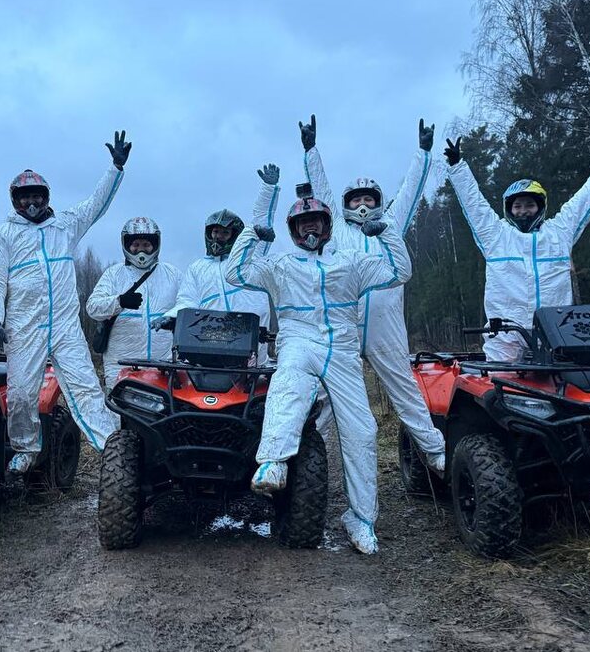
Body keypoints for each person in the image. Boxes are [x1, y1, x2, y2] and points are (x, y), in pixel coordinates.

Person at [227, 165, 411, 555]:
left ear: (327, 226)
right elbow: (235, 273)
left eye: (315, 222)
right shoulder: (281, 266)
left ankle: (361, 519)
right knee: (287, 388)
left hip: (341, 348)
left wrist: (387, 233)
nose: (309, 229)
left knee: (362, 430)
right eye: (302, 224)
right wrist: (251, 234)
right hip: (298, 340)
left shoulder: (351, 261)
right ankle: (273, 462)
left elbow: (400, 271)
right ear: (294, 230)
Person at [0, 131, 132, 474]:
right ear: (15, 200)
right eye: (25, 197)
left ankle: (112, 452)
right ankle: (26, 447)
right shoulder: (4, 234)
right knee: (21, 395)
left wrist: (115, 169)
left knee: (87, 388)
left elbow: (96, 204)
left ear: (46, 197)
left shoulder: (65, 226)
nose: (31, 203)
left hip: (65, 327)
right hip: (23, 327)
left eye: (37, 196)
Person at [300, 114, 448, 472]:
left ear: (378, 201)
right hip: (345, 326)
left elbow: (411, 190)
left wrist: (423, 153)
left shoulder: (391, 224)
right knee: (325, 395)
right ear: (346, 204)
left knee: (406, 392)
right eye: (356, 200)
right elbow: (320, 190)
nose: (362, 204)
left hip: (386, 326)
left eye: (368, 198)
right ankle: (305, 461)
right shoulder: (337, 229)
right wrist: (310, 151)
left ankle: (437, 455)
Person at [442, 136, 590, 361]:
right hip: (506, 332)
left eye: (530, 205)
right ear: (509, 209)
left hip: (556, 329)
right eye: (517, 206)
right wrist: (457, 166)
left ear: (540, 207)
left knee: (568, 379)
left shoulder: (559, 232)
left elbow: (585, 200)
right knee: (501, 380)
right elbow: (474, 205)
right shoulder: (495, 235)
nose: (523, 211)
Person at [153, 204, 277, 365]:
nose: (218, 237)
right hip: (210, 344)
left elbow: (263, 215)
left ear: (235, 235)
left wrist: (270, 188)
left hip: (252, 344)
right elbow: (187, 301)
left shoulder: (251, 260)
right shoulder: (197, 267)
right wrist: (171, 316)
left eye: (225, 233)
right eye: (215, 232)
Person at [86, 217, 180, 388]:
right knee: (117, 405)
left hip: (163, 365)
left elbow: (187, 305)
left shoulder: (173, 275)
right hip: (121, 364)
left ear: (156, 244)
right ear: (126, 245)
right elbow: (92, 308)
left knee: (167, 405)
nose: (140, 249)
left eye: (146, 244)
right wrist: (119, 301)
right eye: (135, 244)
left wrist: (173, 319)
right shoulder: (113, 274)